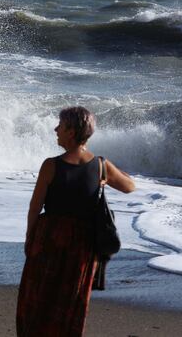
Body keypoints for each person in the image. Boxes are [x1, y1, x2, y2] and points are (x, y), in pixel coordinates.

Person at [16, 106, 135, 336]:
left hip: (49, 238)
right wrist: (104, 178)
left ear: (71, 131)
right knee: (71, 303)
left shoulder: (51, 165)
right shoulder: (101, 166)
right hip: (82, 244)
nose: (56, 129)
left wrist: (30, 237)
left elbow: (35, 206)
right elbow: (130, 187)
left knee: (38, 300)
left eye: (60, 125)